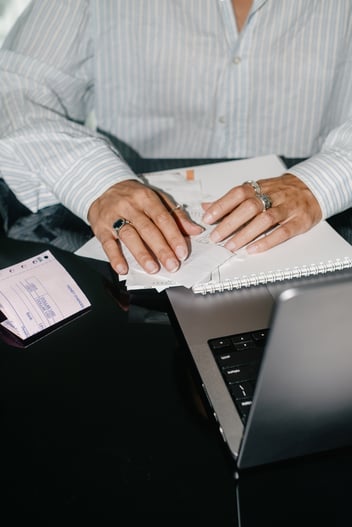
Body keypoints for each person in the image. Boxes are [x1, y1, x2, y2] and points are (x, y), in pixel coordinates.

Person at [0, 0, 351, 278]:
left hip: (316, 234)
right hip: (130, 261)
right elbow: (14, 90)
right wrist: (98, 182)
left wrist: (318, 184)